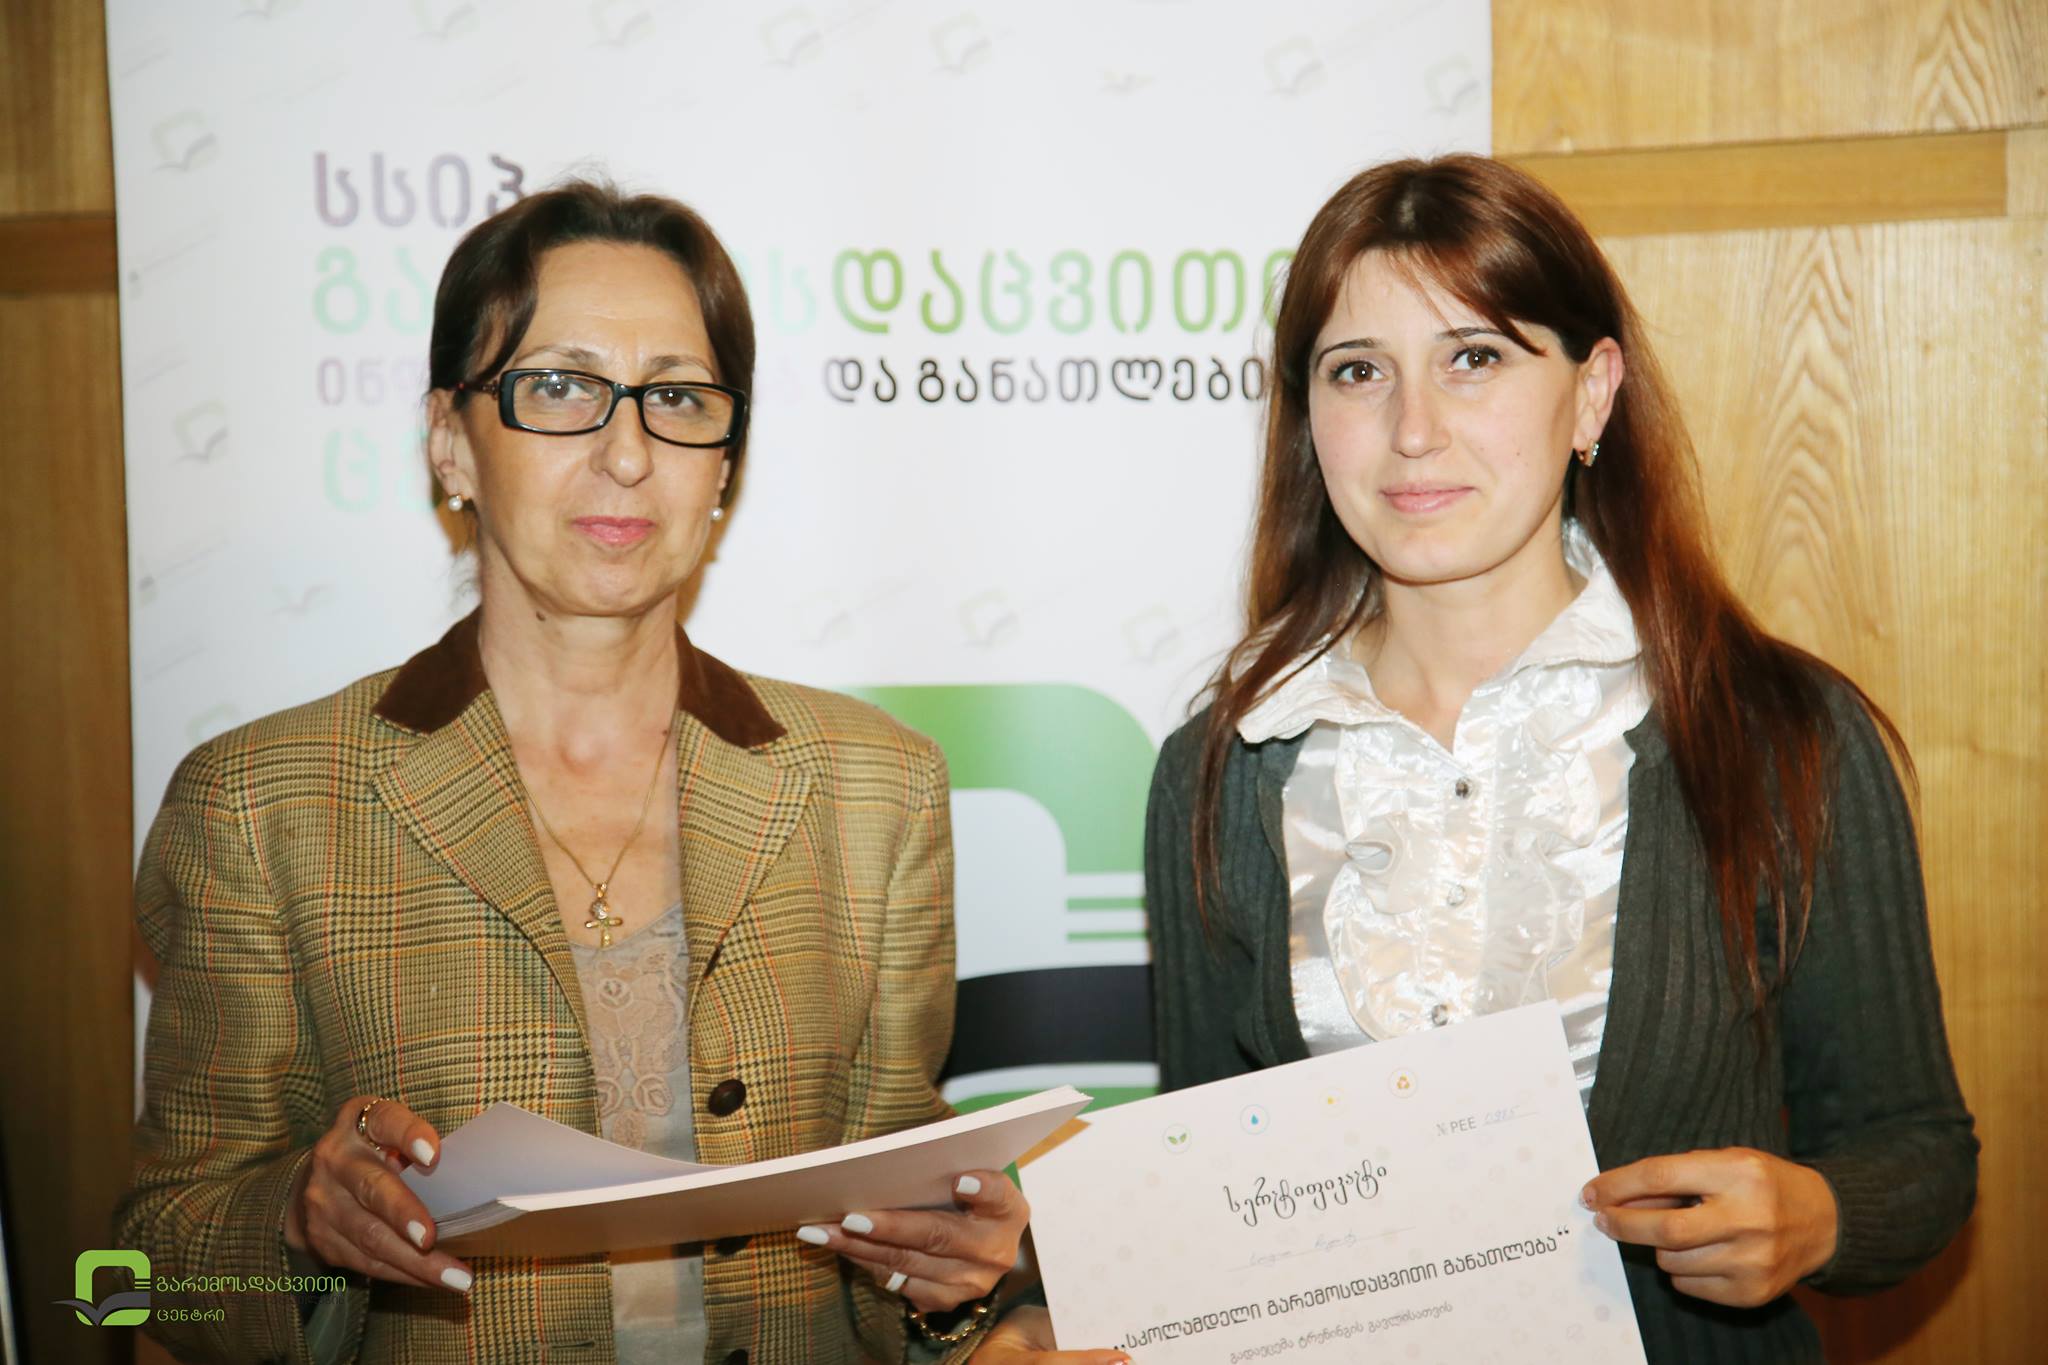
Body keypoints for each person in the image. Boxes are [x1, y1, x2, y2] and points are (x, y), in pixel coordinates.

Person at [118, 180, 1121, 1365]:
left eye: (677, 398)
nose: (629, 453)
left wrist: (951, 1284)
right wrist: (294, 1220)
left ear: (724, 465)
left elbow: (899, 1247)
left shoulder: (873, 790)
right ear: (451, 440)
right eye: (558, 387)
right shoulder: (260, 804)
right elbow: (134, 1279)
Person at [1143, 155, 1976, 1361]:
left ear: (1590, 398)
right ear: (1306, 420)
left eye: (1473, 358)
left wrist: (1822, 1216)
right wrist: (1032, 1270)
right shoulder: (1219, 771)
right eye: (1356, 371)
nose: (1411, 430)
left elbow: (1917, 1149)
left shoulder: (1777, 732)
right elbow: (1200, 1193)